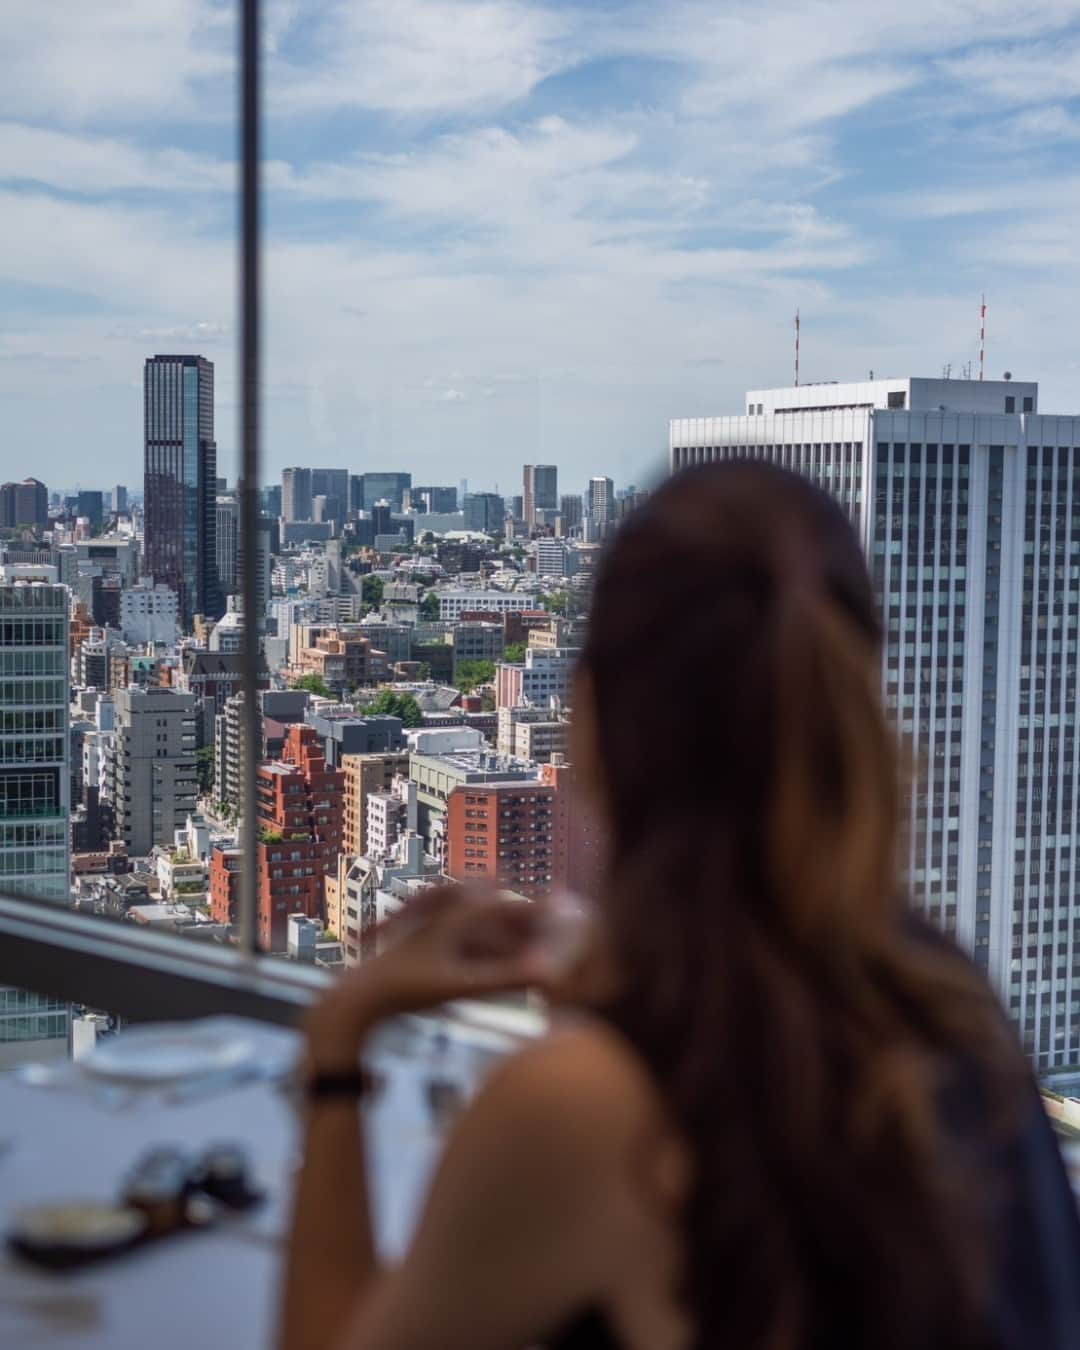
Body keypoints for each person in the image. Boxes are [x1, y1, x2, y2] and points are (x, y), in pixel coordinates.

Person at [282, 461, 1080, 1350]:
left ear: (583, 718)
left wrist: (340, 1037)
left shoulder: (583, 1109)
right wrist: (605, 953)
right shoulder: (937, 988)